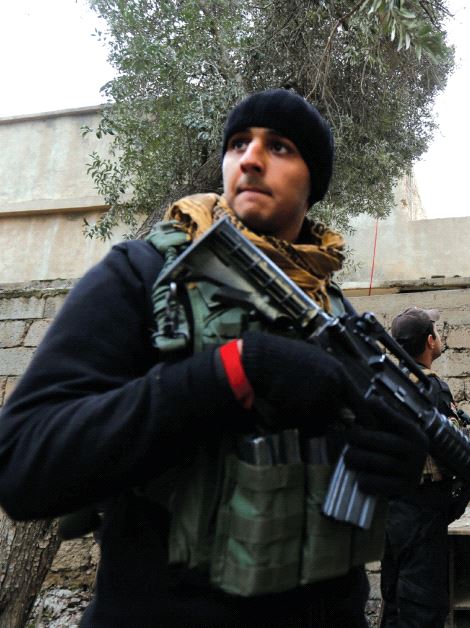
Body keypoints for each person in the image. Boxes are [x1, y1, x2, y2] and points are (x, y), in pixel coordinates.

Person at [0, 89, 429, 627]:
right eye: (238, 143)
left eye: (280, 147)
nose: (249, 157)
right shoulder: (145, 273)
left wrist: (399, 461)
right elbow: (23, 464)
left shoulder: (336, 313)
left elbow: (361, 461)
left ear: (313, 181)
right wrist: (230, 374)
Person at [380, 307, 470, 628]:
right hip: (423, 508)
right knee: (423, 605)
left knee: (395, 599)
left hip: (391, 509)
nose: (439, 337)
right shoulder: (431, 387)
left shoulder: (385, 381)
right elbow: (452, 450)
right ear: (429, 341)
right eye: (436, 331)